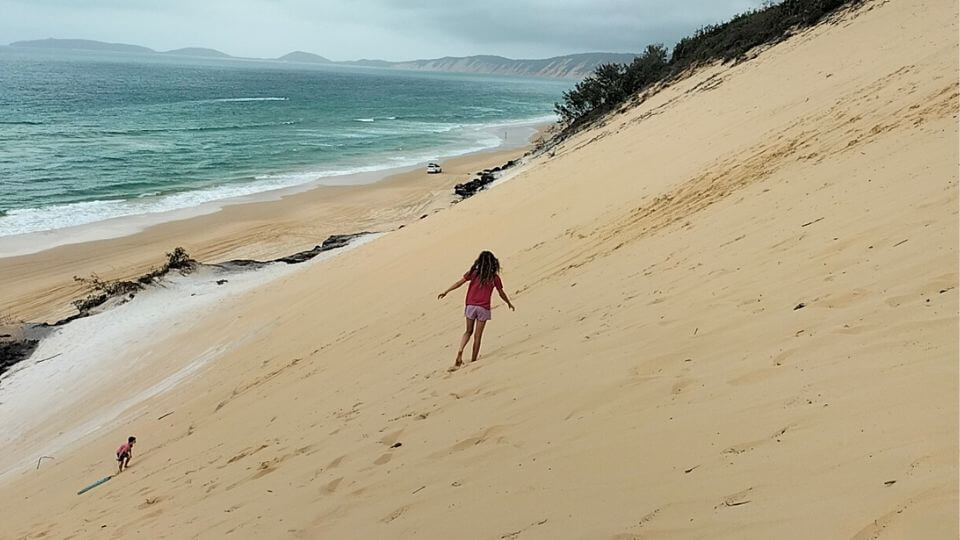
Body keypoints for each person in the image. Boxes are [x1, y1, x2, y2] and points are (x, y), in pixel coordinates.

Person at [438, 251, 515, 371]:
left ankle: (460, 350)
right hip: (483, 308)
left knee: (468, 331)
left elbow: (459, 283)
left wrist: (446, 291)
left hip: (470, 306)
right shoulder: (494, 278)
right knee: (478, 336)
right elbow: (501, 293)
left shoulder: (473, 273)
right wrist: (509, 303)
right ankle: (473, 361)